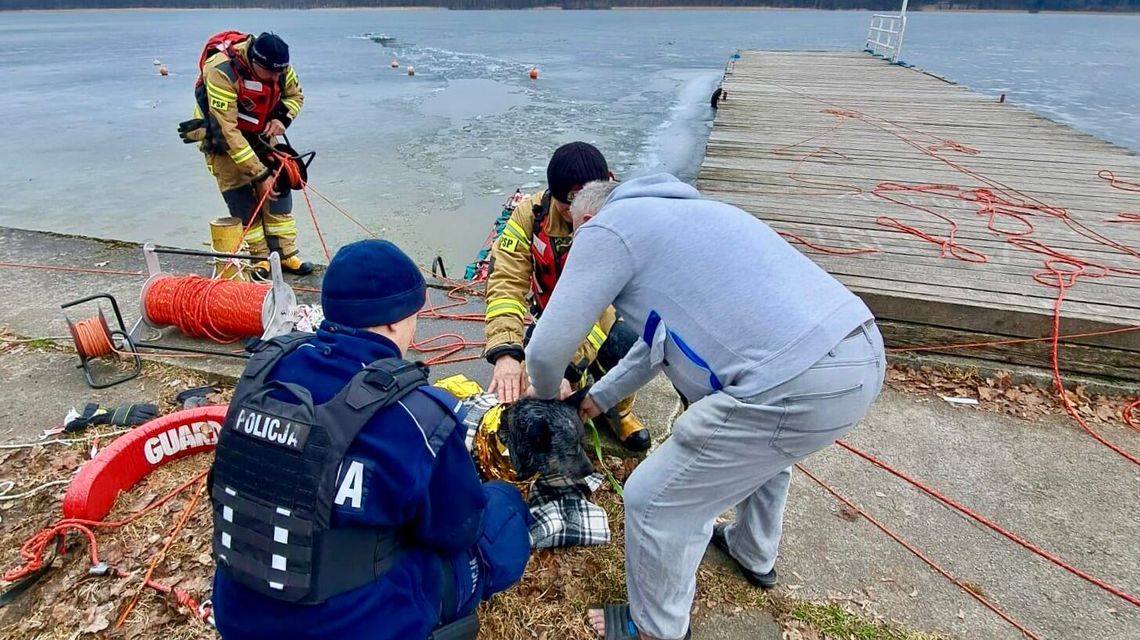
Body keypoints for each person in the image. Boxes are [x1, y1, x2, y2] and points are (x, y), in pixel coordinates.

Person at [523, 174, 886, 640]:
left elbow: (546, 351)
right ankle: (753, 552)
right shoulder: (697, 215)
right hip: (860, 351)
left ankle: (655, 628)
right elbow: (658, 343)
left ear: (589, 216)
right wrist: (595, 400)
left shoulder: (606, 228)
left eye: (575, 232)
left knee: (655, 500)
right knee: (764, 455)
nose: (577, 242)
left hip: (793, 384)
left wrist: (550, 396)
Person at [209, 239, 533, 640]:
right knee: (503, 511)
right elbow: (458, 531)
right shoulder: (419, 414)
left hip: (238, 617)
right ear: (396, 321)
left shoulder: (264, 370)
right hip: (354, 627)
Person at [483, 141, 651, 451]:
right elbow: (505, 283)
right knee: (530, 380)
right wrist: (506, 351)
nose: (578, 217)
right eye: (567, 208)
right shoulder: (530, 216)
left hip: (607, 318)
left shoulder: (622, 224)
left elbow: (602, 307)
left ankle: (620, 410)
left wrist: (565, 366)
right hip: (553, 318)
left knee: (631, 346)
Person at [179, 31, 313, 276]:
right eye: (270, 73)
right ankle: (259, 258)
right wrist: (260, 175)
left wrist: (283, 118)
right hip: (220, 139)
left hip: (261, 134)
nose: (276, 77)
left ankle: (285, 255)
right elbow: (227, 131)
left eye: (279, 73)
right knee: (243, 199)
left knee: (279, 191)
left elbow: (296, 96)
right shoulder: (220, 71)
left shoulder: (281, 69)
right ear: (254, 61)